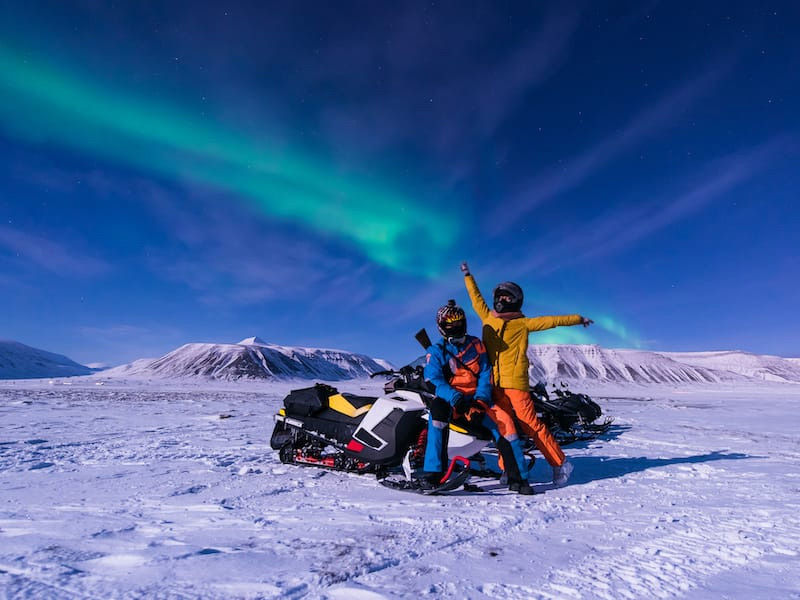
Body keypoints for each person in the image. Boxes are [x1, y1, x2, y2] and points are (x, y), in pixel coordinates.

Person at [460, 262, 593, 487]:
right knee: (504, 428)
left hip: (516, 384)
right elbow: (476, 298)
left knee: (531, 425)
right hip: (493, 384)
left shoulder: (523, 324)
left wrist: (579, 319)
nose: (501, 301)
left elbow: (553, 321)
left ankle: (560, 463)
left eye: (506, 298)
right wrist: (468, 276)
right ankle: (509, 470)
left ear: (515, 300)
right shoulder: (488, 318)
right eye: (499, 297)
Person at [423, 299, 534, 494]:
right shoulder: (436, 351)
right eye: (451, 325)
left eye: (459, 323)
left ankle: (519, 478)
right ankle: (434, 474)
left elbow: (485, 374)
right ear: (442, 327)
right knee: (437, 415)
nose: (456, 328)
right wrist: (456, 399)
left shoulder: (477, 345)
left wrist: (480, 401)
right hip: (452, 400)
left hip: (479, 398)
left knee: (506, 424)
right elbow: (433, 380)